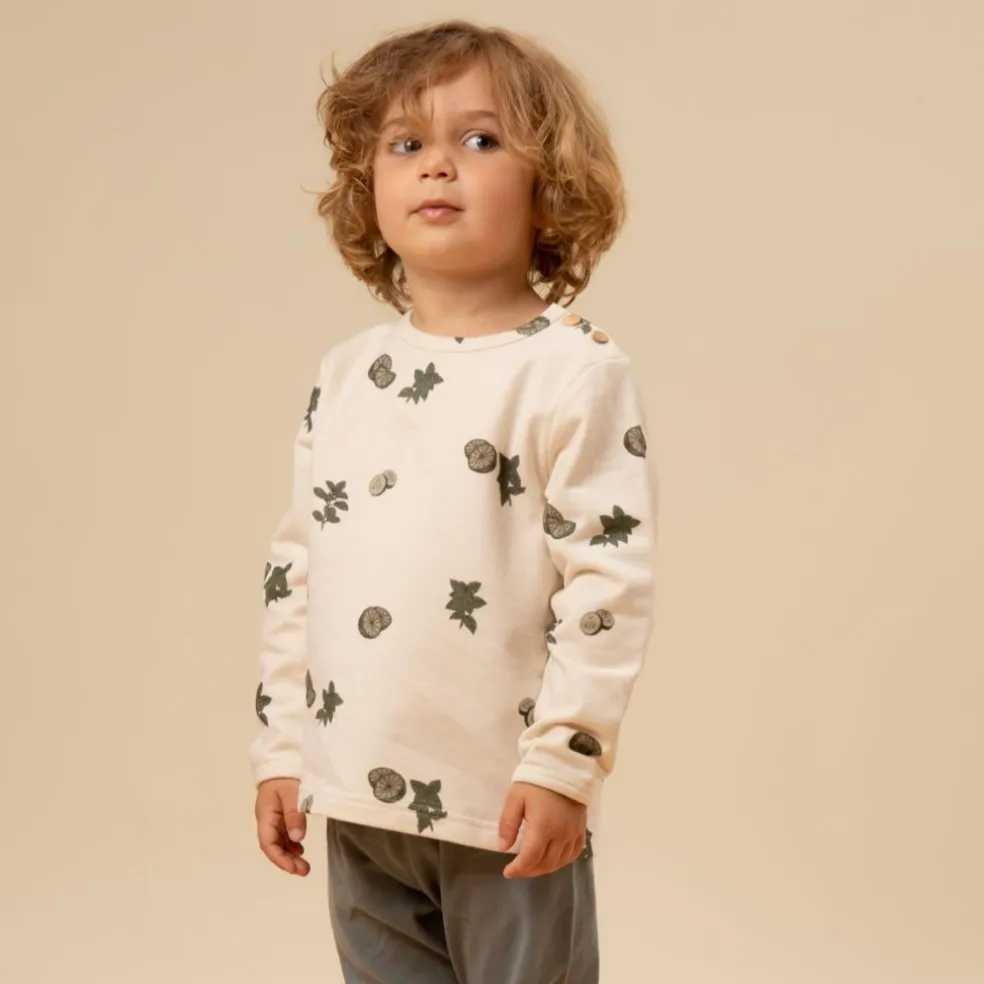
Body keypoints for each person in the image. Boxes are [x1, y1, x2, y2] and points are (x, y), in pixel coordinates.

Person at [250, 18, 659, 984]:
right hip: (357, 794)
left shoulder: (575, 373)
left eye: (479, 140)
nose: (437, 165)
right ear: (368, 187)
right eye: (405, 144)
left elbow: (608, 587)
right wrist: (283, 750)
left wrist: (563, 766)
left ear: (549, 184)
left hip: (502, 805)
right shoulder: (345, 375)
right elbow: (298, 569)